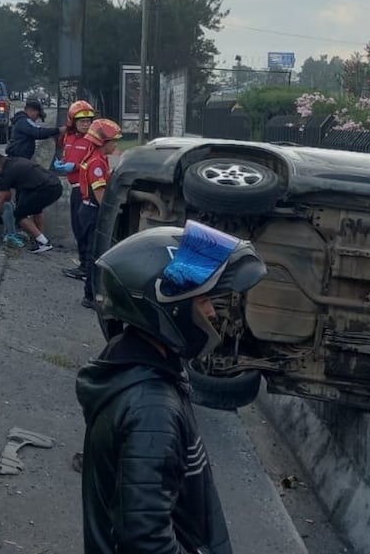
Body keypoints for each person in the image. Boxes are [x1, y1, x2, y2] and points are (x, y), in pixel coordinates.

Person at [76, 220, 267, 554]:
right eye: (202, 300)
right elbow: (145, 540)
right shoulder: (152, 409)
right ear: (168, 307)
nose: (212, 312)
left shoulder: (131, 366)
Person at [77, 118, 122, 309]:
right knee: (93, 255)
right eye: (113, 141)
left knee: (94, 253)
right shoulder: (96, 163)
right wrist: (113, 212)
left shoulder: (98, 158)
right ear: (104, 142)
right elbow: (100, 194)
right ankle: (90, 295)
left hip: (88, 210)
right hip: (92, 212)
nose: (116, 144)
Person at [0, 153, 62, 253]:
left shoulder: (7, 172)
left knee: (19, 214)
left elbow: (1, 197)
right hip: (55, 185)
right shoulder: (17, 160)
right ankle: (39, 238)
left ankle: (44, 242)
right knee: (36, 209)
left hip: (44, 189)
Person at [54, 100, 96, 281]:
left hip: (86, 190)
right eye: (82, 121)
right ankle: (83, 264)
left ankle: (87, 268)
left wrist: (76, 166)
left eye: (89, 121)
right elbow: (66, 156)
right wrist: (62, 164)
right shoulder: (68, 138)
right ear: (73, 121)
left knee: (85, 229)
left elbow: (95, 161)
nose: (86, 124)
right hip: (74, 189)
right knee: (77, 228)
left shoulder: (93, 140)